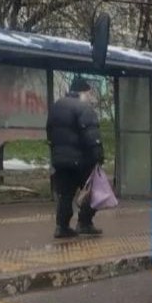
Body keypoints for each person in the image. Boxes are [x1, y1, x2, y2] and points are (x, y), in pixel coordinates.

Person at [46, 78, 104, 239]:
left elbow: (50, 131)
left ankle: (62, 227)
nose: (90, 96)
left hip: (60, 161)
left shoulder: (56, 106)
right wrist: (99, 157)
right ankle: (84, 222)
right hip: (81, 160)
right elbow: (92, 135)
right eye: (89, 92)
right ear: (82, 92)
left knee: (65, 195)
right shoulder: (83, 108)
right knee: (94, 190)